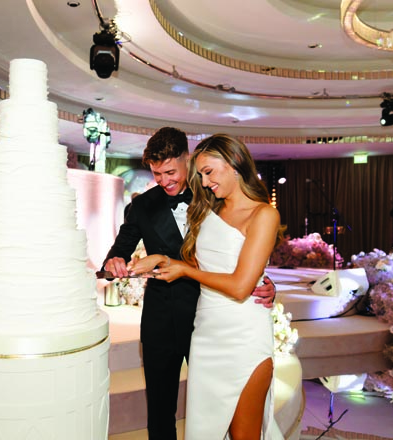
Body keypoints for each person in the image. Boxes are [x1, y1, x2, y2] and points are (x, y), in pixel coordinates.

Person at [102, 127, 276, 440]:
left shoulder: (214, 194)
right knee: (162, 406)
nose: (164, 181)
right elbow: (122, 247)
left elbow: (236, 255)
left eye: (170, 171)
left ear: (188, 159)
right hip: (163, 317)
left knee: (227, 413)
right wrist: (114, 261)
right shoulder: (142, 206)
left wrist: (262, 280)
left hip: (216, 319)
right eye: (156, 174)